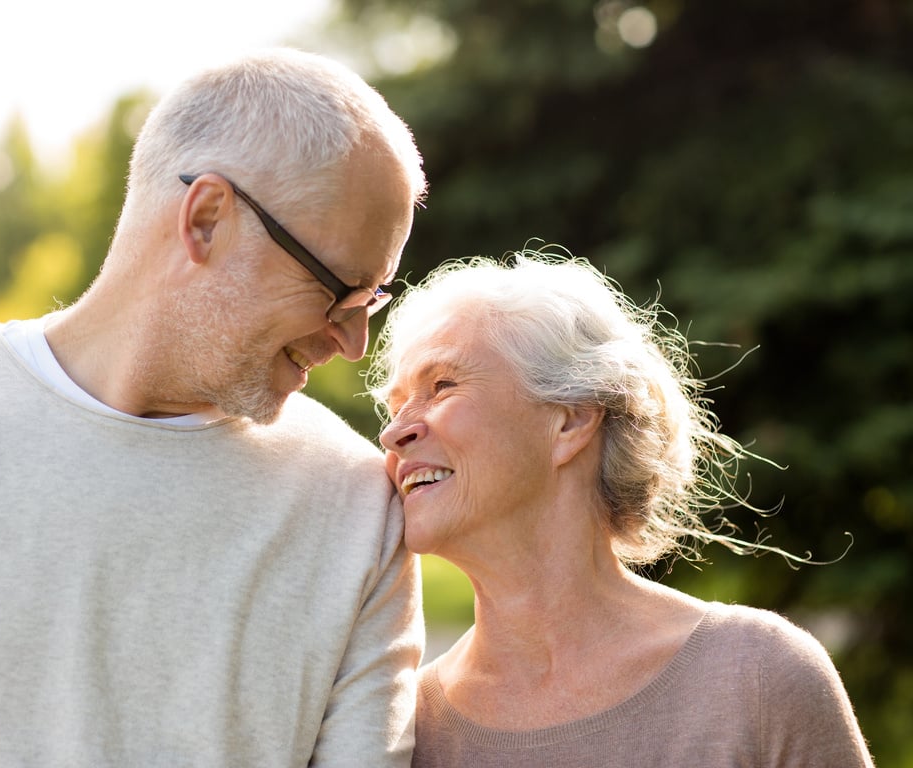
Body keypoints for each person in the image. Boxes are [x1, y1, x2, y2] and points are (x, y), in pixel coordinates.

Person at [0, 48, 427, 767]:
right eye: (340, 288)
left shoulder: (359, 511)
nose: (355, 341)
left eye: (374, 299)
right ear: (205, 219)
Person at [370, 249, 874, 767]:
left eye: (442, 386)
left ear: (570, 421)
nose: (394, 432)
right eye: (395, 404)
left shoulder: (758, 677)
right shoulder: (402, 732)